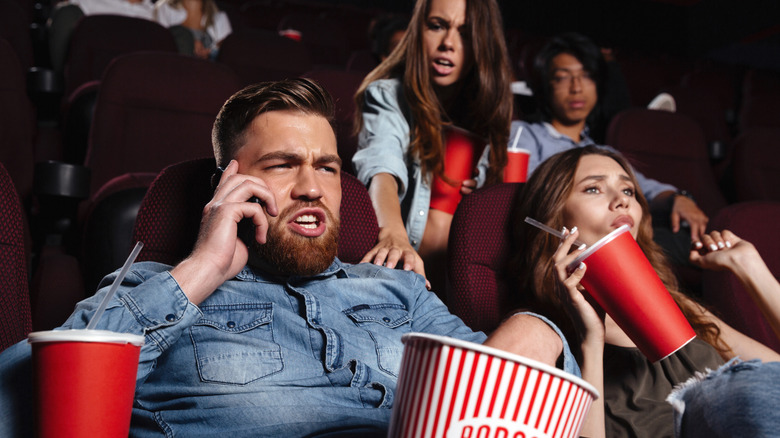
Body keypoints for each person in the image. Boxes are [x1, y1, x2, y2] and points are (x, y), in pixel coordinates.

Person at [0, 78, 572, 437]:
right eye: (282, 164)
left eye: (327, 166)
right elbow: (33, 393)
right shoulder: (158, 286)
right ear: (232, 184)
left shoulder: (399, 291)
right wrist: (202, 270)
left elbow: (504, 396)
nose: (313, 186)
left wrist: (542, 330)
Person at [510, 145, 780, 437]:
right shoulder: (541, 337)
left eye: (628, 191)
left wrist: (749, 266)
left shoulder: (678, 306)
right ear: (553, 217)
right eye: (593, 189)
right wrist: (591, 341)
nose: (621, 202)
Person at [352, 0, 513, 293]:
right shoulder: (387, 95)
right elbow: (381, 166)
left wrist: (481, 195)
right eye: (437, 26)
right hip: (405, 270)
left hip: (462, 279)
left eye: (465, 32)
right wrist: (393, 234)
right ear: (418, 30)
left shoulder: (487, 115)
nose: (448, 43)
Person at [511, 32, 709, 264]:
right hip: (566, 244)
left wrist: (678, 197)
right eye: (563, 77)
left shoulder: (602, 152)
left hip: (618, 237)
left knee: (689, 239)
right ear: (546, 87)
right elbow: (528, 193)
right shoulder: (525, 134)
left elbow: (644, 186)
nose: (576, 88)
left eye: (586, 76)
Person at [154, 0, 232, 60]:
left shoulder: (220, 19)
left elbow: (226, 58)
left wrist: (209, 53)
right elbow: (161, 46)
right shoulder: (165, 9)